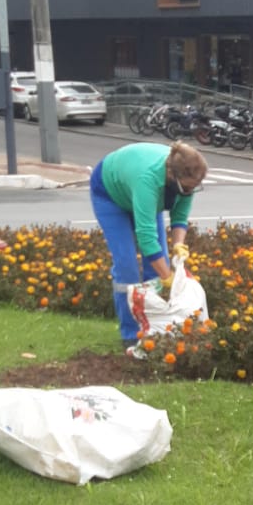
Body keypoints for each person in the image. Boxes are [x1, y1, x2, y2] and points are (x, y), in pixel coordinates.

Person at [89, 139, 207, 354]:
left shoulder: (185, 183)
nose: (191, 190)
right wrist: (168, 277)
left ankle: (157, 330)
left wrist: (179, 245)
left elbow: (180, 217)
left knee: (156, 268)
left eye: (195, 186)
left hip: (142, 192)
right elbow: (146, 237)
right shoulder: (148, 180)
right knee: (127, 269)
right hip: (110, 194)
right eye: (189, 186)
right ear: (174, 177)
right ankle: (130, 334)